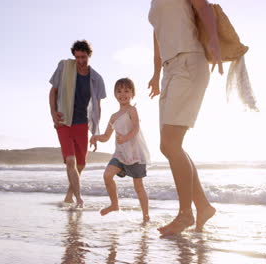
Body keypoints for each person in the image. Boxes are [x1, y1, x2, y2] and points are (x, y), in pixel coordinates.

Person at [147, 0, 222, 235]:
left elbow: (204, 7)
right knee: (169, 146)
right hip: (170, 70)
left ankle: (185, 214)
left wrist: (215, 42)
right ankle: (203, 207)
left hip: (189, 61)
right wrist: (157, 72)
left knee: (170, 144)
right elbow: (158, 35)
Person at [49, 40, 106, 207]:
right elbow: (53, 91)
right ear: (74, 56)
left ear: (89, 56)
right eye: (78, 57)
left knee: (81, 164)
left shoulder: (96, 78)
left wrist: (95, 132)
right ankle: (79, 199)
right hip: (64, 121)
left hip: (82, 123)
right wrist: (53, 112)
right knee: (70, 161)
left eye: (84, 57)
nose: (80, 61)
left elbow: (97, 107)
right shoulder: (65, 67)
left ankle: (68, 196)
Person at [90, 78, 151, 222]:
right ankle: (114, 204)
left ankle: (146, 216)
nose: (122, 94)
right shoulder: (113, 117)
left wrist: (126, 138)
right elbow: (106, 136)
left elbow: (136, 127)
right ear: (115, 94)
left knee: (138, 187)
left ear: (132, 93)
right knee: (107, 175)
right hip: (120, 154)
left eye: (126, 91)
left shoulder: (132, 110)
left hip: (135, 153)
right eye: (119, 91)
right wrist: (96, 137)